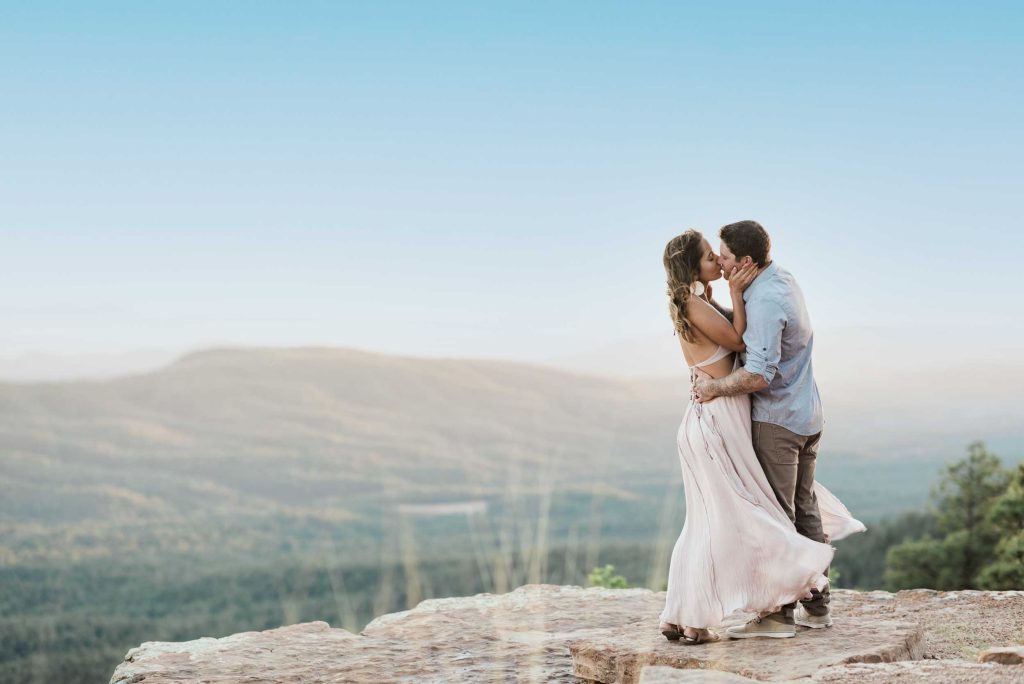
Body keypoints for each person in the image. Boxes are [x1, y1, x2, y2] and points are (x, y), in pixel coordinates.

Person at [658, 227, 863, 644]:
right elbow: (735, 342)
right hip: (769, 417)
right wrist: (733, 300)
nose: (721, 262)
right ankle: (794, 605)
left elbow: (755, 368)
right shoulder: (778, 280)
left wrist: (714, 385)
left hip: (769, 418)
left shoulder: (746, 299)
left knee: (761, 514)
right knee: (748, 515)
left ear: (746, 263)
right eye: (712, 257)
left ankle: (780, 611)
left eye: (725, 256)